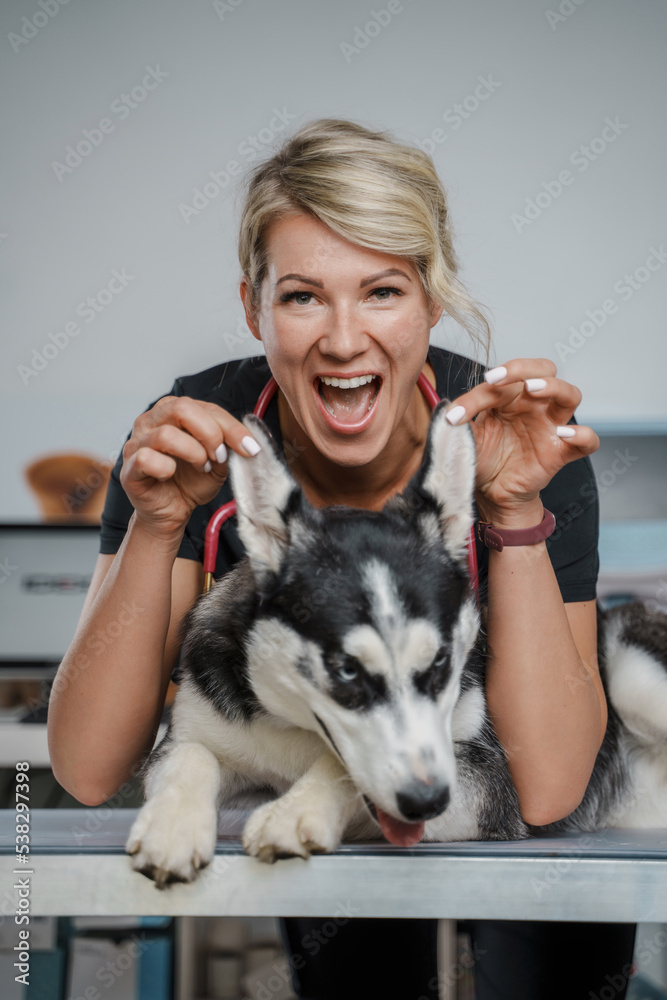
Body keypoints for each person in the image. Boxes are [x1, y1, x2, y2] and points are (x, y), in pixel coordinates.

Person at [47, 117, 636, 1000]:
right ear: (254, 307)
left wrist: (514, 510)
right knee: (354, 959)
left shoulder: (510, 446)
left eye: (383, 292)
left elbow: (548, 789)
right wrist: (157, 524)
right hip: (319, 782)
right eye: (302, 296)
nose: (344, 338)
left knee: (545, 940)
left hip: (494, 788)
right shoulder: (191, 434)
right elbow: (89, 767)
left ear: (432, 301)